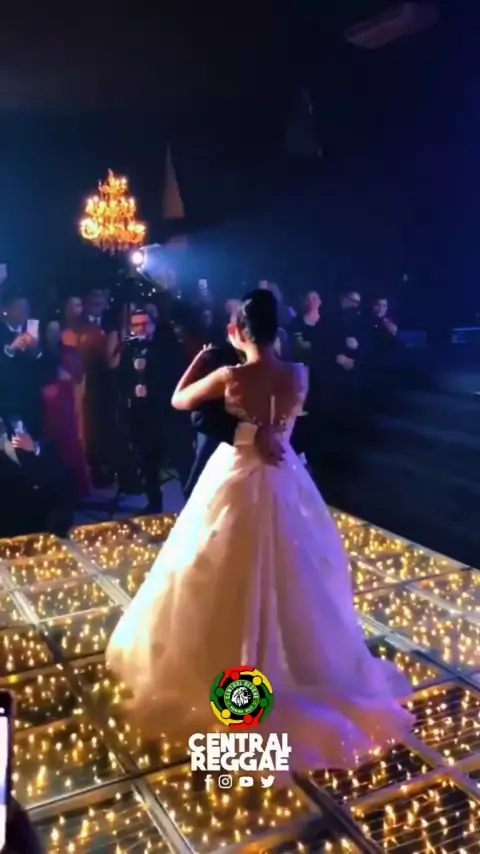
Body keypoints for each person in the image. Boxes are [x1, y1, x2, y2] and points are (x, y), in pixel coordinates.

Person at [106, 289, 412, 772]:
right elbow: (286, 416)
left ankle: (232, 685)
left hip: (237, 473)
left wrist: (203, 358)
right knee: (295, 569)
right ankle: (295, 668)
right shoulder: (299, 374)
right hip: (285, 474)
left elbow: (180, 399)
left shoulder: (230, 375)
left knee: (219, 565)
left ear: (240, 331)